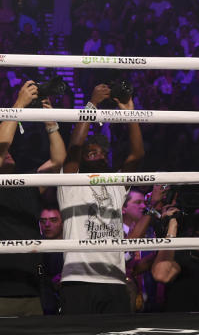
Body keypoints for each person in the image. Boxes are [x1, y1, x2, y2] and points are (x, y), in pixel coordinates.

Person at [0, 80, 66, 317]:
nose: (5, 150)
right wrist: (18, 104)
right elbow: (0, 146)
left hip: (30, 289)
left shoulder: (25, 184)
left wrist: (49, 122)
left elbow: (58, 161)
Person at [56, 82, 144, 314]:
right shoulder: (70, 182)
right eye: (92, 152)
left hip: (114, 279)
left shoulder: (116, 184)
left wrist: (129, 113)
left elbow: (137, 155)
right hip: (78, 279)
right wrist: (92, 103)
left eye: (103, 153)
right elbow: (75, 145)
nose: (99, 155)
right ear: (83, 159)